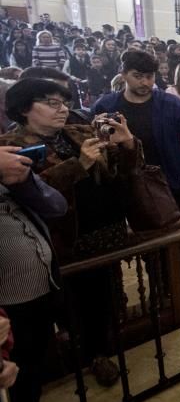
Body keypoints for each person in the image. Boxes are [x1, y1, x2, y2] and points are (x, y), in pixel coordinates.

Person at [1, 77, 141, 385]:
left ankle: (104, 345)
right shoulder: (10, 147)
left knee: (107, 294)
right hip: (63, 240)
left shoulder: (77, 132)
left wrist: (127, 143)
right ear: (25, 108)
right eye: (51, 103)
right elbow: (34, 194)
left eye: (64, 103)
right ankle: (88, 355)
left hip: (106, 231)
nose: (62, 110)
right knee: (75, 304)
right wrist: (79, 164)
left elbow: (122, 170)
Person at [0, 147, 104, 402]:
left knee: (28, 389)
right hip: (6, 308)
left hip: (35, 298)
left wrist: (23, 179)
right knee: (12, 399)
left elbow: (56, 206)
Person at [93, 50, 180, 199]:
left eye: (149, 76)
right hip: (127, 183)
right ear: (123, 74)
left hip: (172, 180)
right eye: (137, 76)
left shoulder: (171, 104)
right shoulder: (106, 106)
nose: (145, 82)